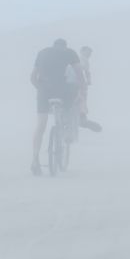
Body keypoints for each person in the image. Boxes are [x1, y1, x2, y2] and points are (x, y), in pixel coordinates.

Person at [30, 39, 87, 175]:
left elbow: (32, 77)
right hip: (62, 90)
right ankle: (67, 128)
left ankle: (34, 160)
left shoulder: (42, 53)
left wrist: (41, 89)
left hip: (44, 91)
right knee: (72, 102)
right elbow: (80, 75)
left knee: (40, 126)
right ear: (65, 46)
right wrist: (82, 92)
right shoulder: (70, 53)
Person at [78, 46, 102, 132]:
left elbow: (87, 73)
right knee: (82, 100)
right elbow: (86, 72)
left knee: (81, 100)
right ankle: (82, 117)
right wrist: (87, 81)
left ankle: (82, 117)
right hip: (79, 85)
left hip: (79, 85)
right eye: (88, 52)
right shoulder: (82, 59)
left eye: (90, 53)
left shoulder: (83, 59)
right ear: (82, 51)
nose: (90, 55)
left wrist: (88, 81)